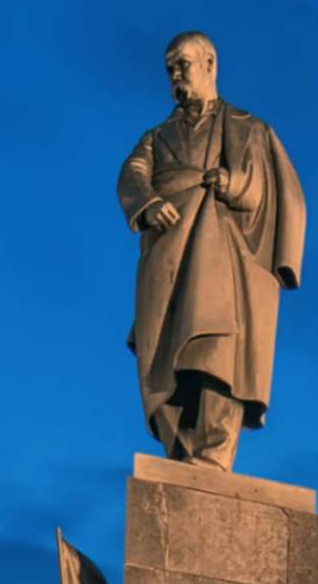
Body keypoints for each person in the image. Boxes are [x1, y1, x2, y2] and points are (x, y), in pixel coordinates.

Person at [116, 30, 305, 469]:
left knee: (216, 352)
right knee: (164, 360)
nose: (176, 74)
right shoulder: (156, 137)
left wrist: (233, 183)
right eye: (170, 68)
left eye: (183, 63)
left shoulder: (248, 128)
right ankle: (180, 453)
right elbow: (132, 174)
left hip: (222, 263)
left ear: (210, 64)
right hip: (168, 260)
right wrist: (148, 203)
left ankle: (214, 455)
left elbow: (273, 190)